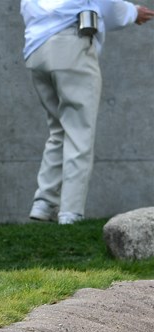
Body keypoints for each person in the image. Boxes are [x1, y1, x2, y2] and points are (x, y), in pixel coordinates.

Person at [21, 0, 154, 224]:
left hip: (36, 52)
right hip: (71, 48)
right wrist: (133, 12)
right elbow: (108, 5)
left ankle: (44, 203)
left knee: (59, 131)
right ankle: (70, 213)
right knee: (79, 132)